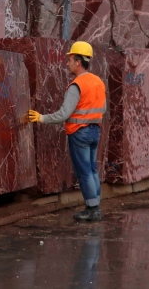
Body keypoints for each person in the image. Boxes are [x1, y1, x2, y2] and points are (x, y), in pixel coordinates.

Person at [28, 41, 106, 222]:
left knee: (84, 172)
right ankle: (96, 206)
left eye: (70, 60)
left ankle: (92, 210)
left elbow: (64, 114)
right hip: (95, 131)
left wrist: (41, 118)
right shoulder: (98, 82)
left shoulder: (76, 85)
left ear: (78, 62)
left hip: (79, 133)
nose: (67, 63)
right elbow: (103, 108)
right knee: (92, 169)